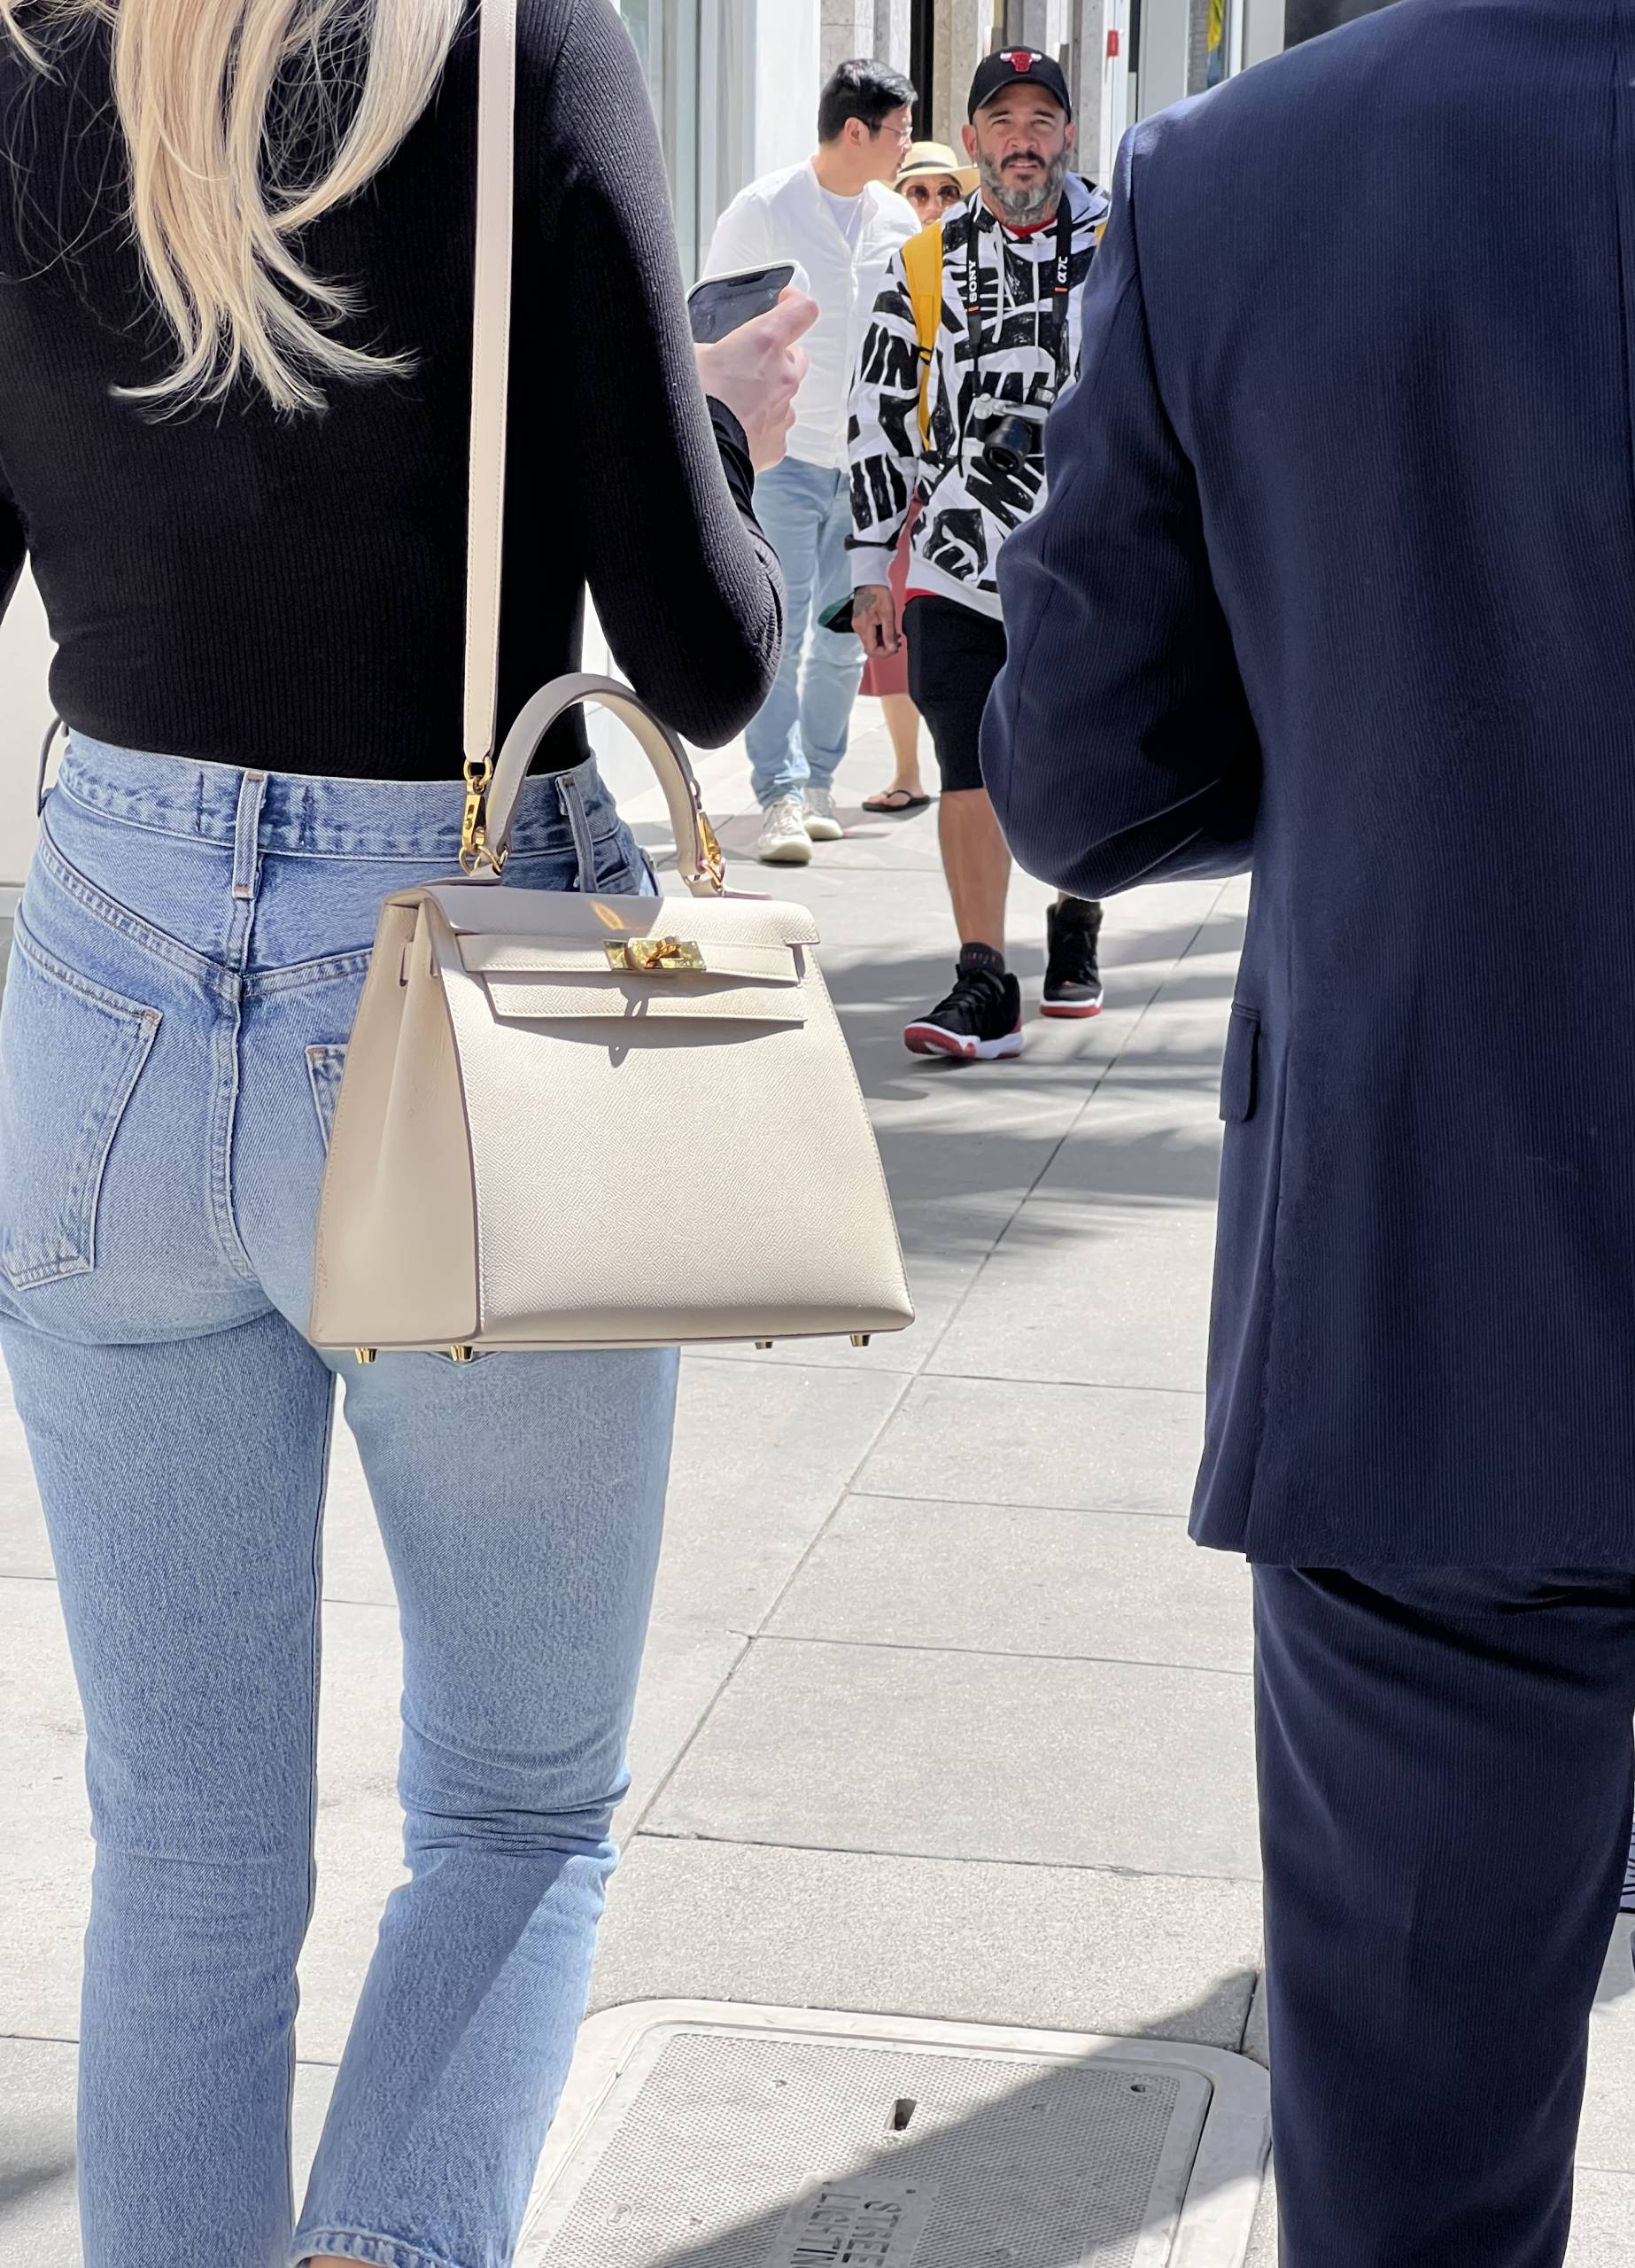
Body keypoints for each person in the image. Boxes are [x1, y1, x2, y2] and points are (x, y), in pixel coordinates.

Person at [0, 3, 809, 2264]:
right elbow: (711, 659)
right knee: (522, 1811)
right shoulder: (529, 54)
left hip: (102, 999)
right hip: (449, 983)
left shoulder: (44, 77)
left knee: (180, 1842)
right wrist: (723, 429)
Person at [981, 1, 1635, 2260]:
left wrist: (1375, 692)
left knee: (1404, 2155)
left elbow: (1088, 778)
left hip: (1427, 1288)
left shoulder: (1236, 174)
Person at [848, 50, 1110, 1060]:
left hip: (1093, 552)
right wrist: (873, 563)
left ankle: (1075, 920)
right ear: (971, 141)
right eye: (1003, 120)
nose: (1023, 138)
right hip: (961, 557)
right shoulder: (922, 263)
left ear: (1068, 136)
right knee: (968, 764)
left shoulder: (1122, 245)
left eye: (1043, 119)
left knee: (1081, 752)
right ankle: (981, 979)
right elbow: (878, 421)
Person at [705, 58, 917, 865]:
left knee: (843, 632)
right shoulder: (764, 210)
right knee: (783, 627)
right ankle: (781, 795)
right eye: (897, 131)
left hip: (867, 461)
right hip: (784, 454)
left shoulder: (898, 221)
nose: (906, 145)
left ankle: (821, 780)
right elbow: (717, 328)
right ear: (855, 131)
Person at [860, 141, 976, 819]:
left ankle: (970, 769)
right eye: (917, 192)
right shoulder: (887, 266)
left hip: (971, 485)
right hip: (897, 479)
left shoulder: (975, 263)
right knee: (894, 631)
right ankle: (908, 772)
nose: (932, 205)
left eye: (945, 192)